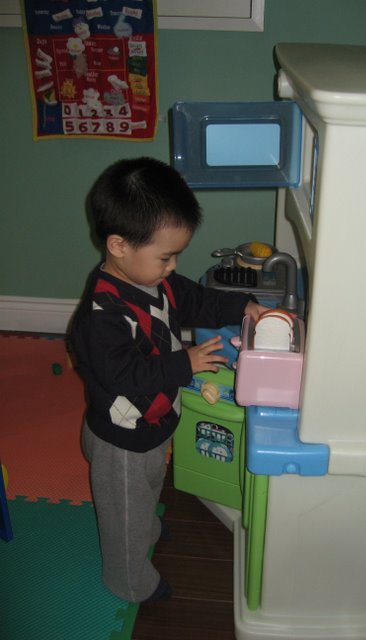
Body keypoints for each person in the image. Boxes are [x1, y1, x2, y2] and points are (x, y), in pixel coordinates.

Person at [69, 157, 268, 604]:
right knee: (124, 515)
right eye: (166, 256)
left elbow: (197, 300)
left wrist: (243, 306)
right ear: (118, 246)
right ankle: (129, 580)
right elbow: (123, 376)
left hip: (154, 422)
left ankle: (146, 525)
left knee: (151, 484)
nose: (173, 266)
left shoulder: (156, 280)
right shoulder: (101, 317)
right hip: (121, 439)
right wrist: (184, 364)